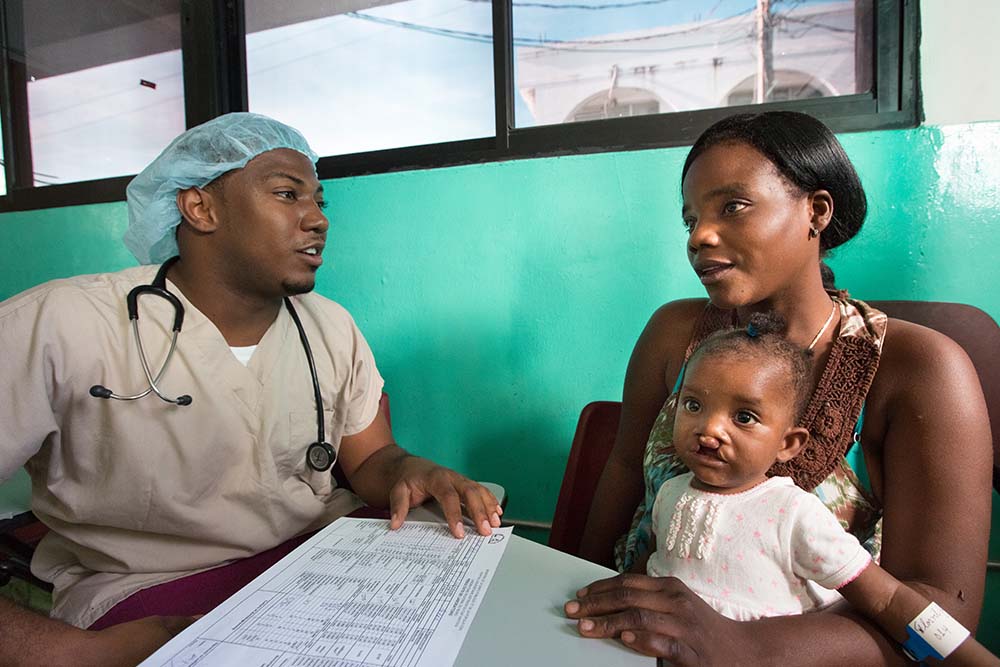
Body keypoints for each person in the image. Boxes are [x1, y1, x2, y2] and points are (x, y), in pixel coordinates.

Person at [0, 112, 502, 665]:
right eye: (288, 194)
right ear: (200, 208)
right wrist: (56, 652)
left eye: (320, 202)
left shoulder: (329, 327)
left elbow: (372, 458)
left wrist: (412, 469)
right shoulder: (59, 324)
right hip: (147, 588)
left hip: (321, 558)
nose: (317, 220)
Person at [564, 111, 993, 664]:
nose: (700, 236)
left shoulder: (921, 368)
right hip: (630, 646)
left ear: (815, 210)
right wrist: (569, 592)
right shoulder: (674, 333)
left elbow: (943, 608)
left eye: (732, 207)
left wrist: (743, 643)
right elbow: (625, 472)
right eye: (690, 218)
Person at [637, 313, 997, 665]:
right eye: (694, 405)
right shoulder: (670, 492)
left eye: (744, 417)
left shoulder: (792, 514)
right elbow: (652, 567)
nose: (709, 430)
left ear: (788, 444)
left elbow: (887, 602)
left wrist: (974, 660)